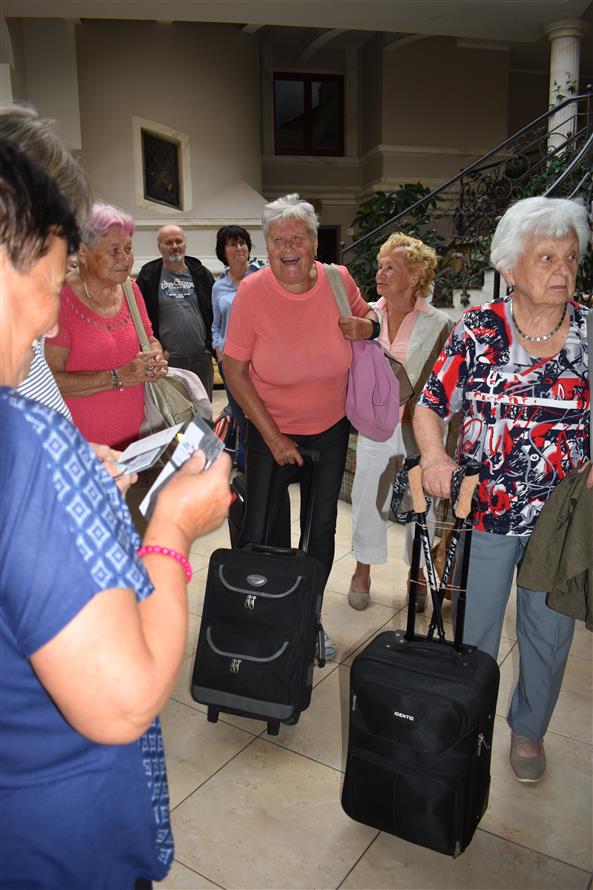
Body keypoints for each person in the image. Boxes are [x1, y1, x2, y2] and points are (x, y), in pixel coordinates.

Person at [0, 140, 232, 888]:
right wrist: (170, 529)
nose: (44, 322)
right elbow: (122, 703)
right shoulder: (23, 437)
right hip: (51, 839)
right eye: (48, 279)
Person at [413, 196, 591, 783]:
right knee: (475, 625)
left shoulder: (590, 332)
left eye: (570, 256)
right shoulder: (478, 328)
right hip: (486, 505)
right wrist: (436, 454)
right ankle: (471, 718)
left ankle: (530, 730)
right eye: (546, 257)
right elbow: (430, 405)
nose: (562, 270)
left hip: (561, 518)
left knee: (549, 630)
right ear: (510, 268)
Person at [223, 193, 380, 657]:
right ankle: (267, 617)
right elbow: (233, 371)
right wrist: (272, 437)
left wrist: (366, 328)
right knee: (263, 532)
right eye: (277, 239)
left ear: (314, 242)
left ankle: (307, 619)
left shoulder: (338, 279)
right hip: (268, 429)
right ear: (264, 247)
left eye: (297, 237)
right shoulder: (252, 293)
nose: (287, 247)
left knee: (320, 531)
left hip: (329, 428)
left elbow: (368, 316)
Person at [348, 233, 453, 611]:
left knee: (421, 501)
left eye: (391, 267)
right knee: (366, 498)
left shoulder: (439, 323)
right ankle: (362, 570)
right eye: (380, 266)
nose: (380, 273)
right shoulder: (366, 318)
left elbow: (448, 384)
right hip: (375, 426)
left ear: (414, 277)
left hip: (419, 429)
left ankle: (420, 575)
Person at [46, 202, 168, 451]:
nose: (125, 258)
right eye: (114, 250)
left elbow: (149, 339)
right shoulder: (58, 301)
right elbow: (48, 382)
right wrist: (118, 376)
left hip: (132, 445)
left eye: (128, 248)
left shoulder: (130, 290)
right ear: (81, 252)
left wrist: (154, 356)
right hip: (77, 449)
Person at [136, 224, 215, 399]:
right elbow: (140, 318)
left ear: (185, 243)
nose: (174, 246)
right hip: (168, 362)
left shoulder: (201, 274)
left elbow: (214, 313)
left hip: (200, 358)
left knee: (203, 417)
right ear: (159, 247)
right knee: (175, 417)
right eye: (168, 242)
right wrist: (154, 349)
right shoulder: (149, 276)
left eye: (178, 241)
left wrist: (210, 345)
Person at [211, 224, 263, 470]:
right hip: (230, 364)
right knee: (241, 415)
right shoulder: (218, 287)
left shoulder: (262, 277)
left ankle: (267, 461)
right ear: (224, 251)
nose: (239, 247)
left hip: (260, 361)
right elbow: (216, 325)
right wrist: (219, 349)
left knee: (262, 413)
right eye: (232, 243)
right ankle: (247, 465)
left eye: (242, 242)